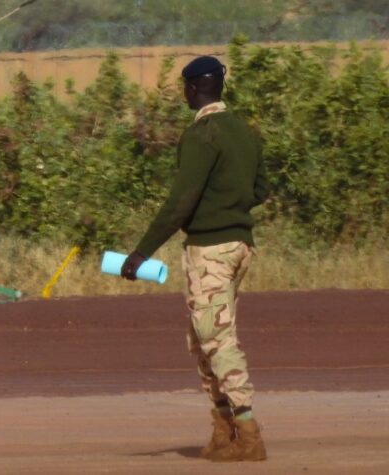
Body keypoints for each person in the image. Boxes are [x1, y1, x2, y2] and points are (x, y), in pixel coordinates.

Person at [120, 56, 269, 462]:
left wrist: (141, 252)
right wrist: (229, 204)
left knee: (217, 340)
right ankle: (223, 430)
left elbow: (180, 202)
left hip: (210, 251)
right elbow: (260, 189)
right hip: (240, 246)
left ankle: (249, 433)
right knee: (203, 337)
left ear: (191, 88)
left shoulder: (202, 135)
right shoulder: (244, 131)